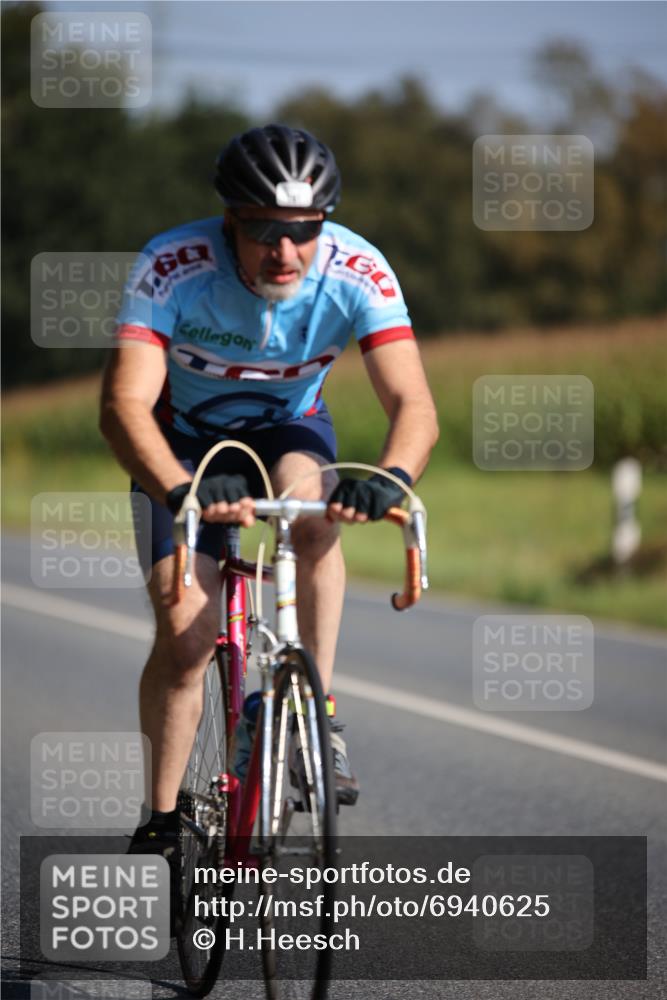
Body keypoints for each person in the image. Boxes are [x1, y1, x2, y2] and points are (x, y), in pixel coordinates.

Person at [100, 123, 439, 857]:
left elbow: (414, 405)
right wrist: (181, 487)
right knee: (187, 634)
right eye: (262, 231)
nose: (283, 253)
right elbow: (123, 405)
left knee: (316, 516)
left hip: (290, 427)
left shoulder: (357, 268)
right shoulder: (171, 264)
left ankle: (315, 709)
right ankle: (162, 812)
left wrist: (388, 478)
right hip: (180, 442)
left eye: (302, 232)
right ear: (229, 220)